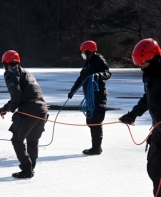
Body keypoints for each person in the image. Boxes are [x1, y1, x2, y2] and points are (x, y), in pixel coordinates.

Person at [0, 50, 48, 179]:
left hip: (29, 111)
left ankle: (26, 169)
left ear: (5, 63)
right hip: (42, 110)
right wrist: (7, 108)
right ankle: (30, 169)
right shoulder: (26, 73)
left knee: (17, 140)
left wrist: (8, 108)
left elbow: (16, 95)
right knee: (32, 141)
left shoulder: (11, 73)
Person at [119, 38, 161, 197]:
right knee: (154, 170)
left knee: (158, 171)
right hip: (158, 131)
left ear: (154, 58)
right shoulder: (151, 74)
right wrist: (132, 115)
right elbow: (148, 99)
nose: (141, 67)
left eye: (144, 63)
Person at [68, 40, 111, 155]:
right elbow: (81, 78)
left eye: (83, 52)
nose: (82, 54)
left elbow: (107, 73)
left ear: (89, 51)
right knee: (90, 121)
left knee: (96, 121)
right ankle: (95, 146)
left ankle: (96, 148)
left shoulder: (99, 59)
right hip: (89, 96)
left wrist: (98, 75)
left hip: (98, 95)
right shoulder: (87, 62)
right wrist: (73, 91)